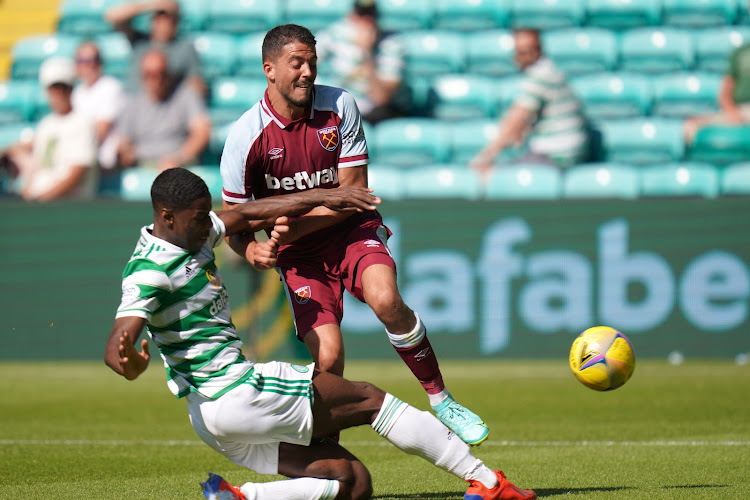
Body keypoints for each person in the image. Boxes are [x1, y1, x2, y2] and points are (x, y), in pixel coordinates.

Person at [104, 167, 536, 500]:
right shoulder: (149, 271)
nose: (209, 226)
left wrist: (325, 195)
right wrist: (128, 361)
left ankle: (242, 496)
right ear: (166, 217)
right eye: (200, 219)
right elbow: (118, 341)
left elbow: (246, 214)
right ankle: (487, 482)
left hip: (212, 419)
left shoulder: (190, 234)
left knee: (351, 483)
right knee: (368, 398)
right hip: (236, 393)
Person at [219, 24, 488, 447]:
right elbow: (235, 219)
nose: (307, 72)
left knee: (385, 298)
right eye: (297, 63)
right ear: (269, 70)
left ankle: (441, 399)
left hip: (349, 232)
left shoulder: (340, 105)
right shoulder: (244, 137)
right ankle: (328, 449)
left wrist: (295, 219)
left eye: (312, 62)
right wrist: (250, 248)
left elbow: (354, 195)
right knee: (328, 357)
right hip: (299, 256)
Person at [472, 29, 589, 174]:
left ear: (539, 49)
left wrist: (485, 156)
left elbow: (516, 120)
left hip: (557, 152)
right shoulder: (549, 69)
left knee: (490, 175)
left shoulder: (540, 75)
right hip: (565, 149)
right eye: (520, 52)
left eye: (529, 51)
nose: (524, 57)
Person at [0, 57, 98, 201]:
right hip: (43, 205)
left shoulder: (83, 123)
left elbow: (77, 174)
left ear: (71, 89)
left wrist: (42, 200)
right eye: (54, 88)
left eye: (63, 87)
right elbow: (39, 167)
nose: (58, 94)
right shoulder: (46, 125)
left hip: (65, 208)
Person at [116, 49, 211, 171]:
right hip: (142, 165)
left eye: (159, 74)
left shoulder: (186, 96)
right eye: (148, 75)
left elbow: (202, 133)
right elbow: (123, 142)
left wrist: (179, 158)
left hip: (178, 165)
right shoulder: (132, 104)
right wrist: (126, 154)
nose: (155, 80)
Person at [316, 0, 406, 124]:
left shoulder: (391, 44)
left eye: (370, 15)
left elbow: (381, 98)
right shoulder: (335, 34)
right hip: (337, 105)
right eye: (361, 15)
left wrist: (367, 53)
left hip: (371, 111)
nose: (366, 21)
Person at [104, 0, 205, 95]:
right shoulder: (140, 41)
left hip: (163, 109)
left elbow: (197, 87)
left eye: (168, 17)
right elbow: (111, 17)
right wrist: (151, 5)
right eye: (159, 16)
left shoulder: (184, 48)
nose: (163, 22)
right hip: (133, 105)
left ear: (176, 22)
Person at [683, 33, 750, 144]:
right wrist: (732, 112)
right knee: (691, 126)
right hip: (740, 111)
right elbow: (725, 92)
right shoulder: (741, 52)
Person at [71, 41, 125, 171]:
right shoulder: (76, 93)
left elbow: (101, 131)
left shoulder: (110, 86)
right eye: (83, 61)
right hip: (82, 157)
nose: (90, 65)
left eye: (94, 59)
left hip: (100, 160)